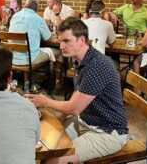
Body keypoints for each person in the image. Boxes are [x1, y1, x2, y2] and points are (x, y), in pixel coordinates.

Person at [26, 17, 128, 164]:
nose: (61, 46)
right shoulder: (81, 61)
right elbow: (76, 96)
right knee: (45, 143)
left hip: (107, 133)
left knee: (51, 161)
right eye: (60, 41)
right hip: (85, 123)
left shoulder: (97, 66)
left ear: (81, 40)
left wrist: (45, 102)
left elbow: (74, 108)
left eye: (66, 41)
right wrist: (59, 119)